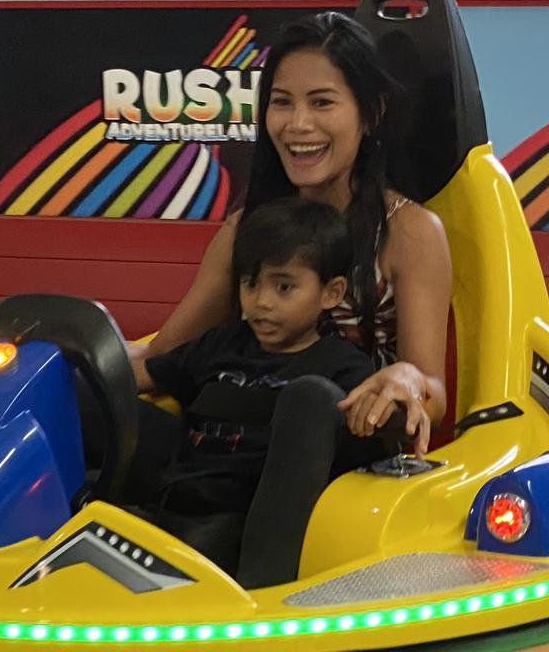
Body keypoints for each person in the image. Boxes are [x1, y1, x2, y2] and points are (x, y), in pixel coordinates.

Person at [134, 10, 452, 458]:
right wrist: (62, 355)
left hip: (338, 455)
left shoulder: (410, 231)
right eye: (282, 102)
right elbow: (165, 353)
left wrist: (408, 379)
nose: (297, 124)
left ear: (371, 113)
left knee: (307, 403)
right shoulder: (249, 228)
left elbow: (431, 393)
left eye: (322, 102)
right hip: (234, 442)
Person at [131, 196, 386, 587]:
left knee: (312, 395)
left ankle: (262, 588)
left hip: (248, 523)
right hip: (172, 496)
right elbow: (140, 377)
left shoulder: (342, 366)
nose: (261, 302)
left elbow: (371, 431)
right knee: (84, 398)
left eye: (284, 287)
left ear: (331, 293)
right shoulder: (222, 344)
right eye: (250, 284)